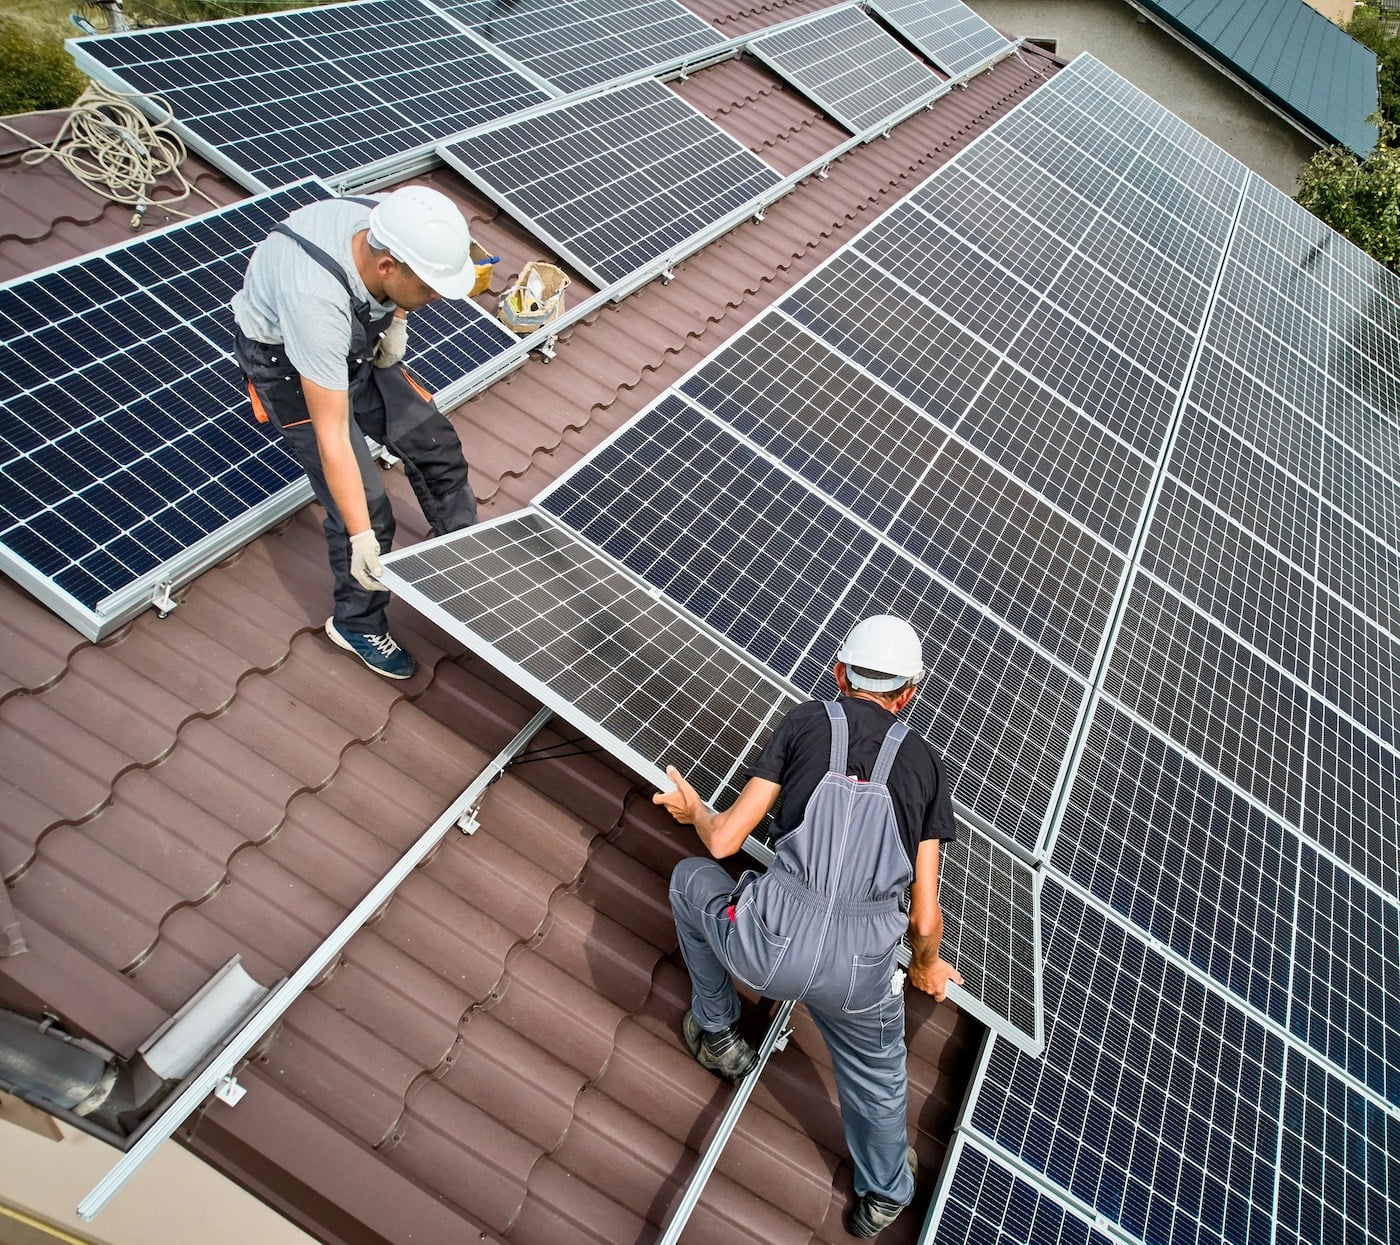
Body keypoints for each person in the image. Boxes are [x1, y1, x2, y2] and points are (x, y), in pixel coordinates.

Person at [654, 615, 963, 1239]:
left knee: (691, 883)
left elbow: (726, 841)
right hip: (858, 977)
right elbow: (924, 916)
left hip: (766, 944)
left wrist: (694, 810)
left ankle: (717, 1034)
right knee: (878, 1077)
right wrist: (927, 964)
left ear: (839, 673)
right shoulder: (927, 766)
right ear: (909, 694)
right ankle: (884, 1194)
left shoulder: (803, 723)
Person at [232, 185, 480, 680]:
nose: (435, 299)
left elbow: (399, 285)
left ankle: (464, 562)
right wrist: (364, 536)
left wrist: (397, 318)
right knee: (364, 511)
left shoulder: (388, 221)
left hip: (358, 331)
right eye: (429, 288)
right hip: (287, 361)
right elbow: (333, 436)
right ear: (388, 268)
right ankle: (356, 622)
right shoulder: (316, 303)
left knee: (437, 447)